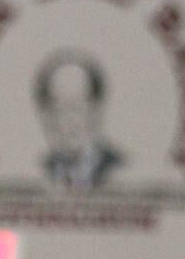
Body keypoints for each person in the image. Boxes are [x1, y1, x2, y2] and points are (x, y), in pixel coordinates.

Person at [34, 50, 123, 188]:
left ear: (96, 112)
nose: (70, 121)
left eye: (77, 108)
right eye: (59, 110)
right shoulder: (41, 169)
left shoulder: (120, 170)